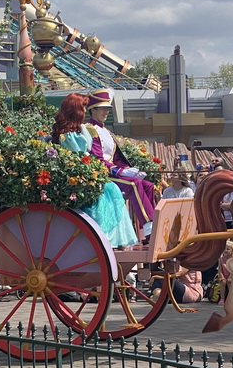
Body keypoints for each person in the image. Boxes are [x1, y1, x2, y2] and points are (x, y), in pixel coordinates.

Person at [52, 93, 139, 248]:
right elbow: (83, 154)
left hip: (83, 171)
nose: (86, 111)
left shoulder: (73, 130)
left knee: (111, 189)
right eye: (84, 107)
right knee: (108, 190)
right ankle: (105, 238)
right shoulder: (74, 132)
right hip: (78, 173)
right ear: (77, 109)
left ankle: (109, 240)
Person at [85, 88, 157, 236]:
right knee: (133, 184)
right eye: (103, 109)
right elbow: (97, 160)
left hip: (112, 171)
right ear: (93, 110)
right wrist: (122, 171)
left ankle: (146, 230)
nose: (106, 112)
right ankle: (149, 225)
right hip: (101, 175)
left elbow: (116, 158)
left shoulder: (107, 132)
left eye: (107, 109)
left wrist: (132, 171)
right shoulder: (90, 130)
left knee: (148, 186)